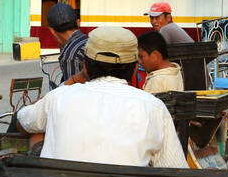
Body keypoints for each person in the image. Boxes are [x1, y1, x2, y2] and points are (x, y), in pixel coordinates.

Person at [15, 26, 186, 168]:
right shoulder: (154, 108)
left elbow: (23, 121)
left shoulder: (58, 97)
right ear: (134, 68)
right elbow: (175, 172)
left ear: (85, 67)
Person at [46, 2, 87, 86]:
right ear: (78, 22)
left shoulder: (71, 55)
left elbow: (71, 94)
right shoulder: (89, 41)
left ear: (52, 31)